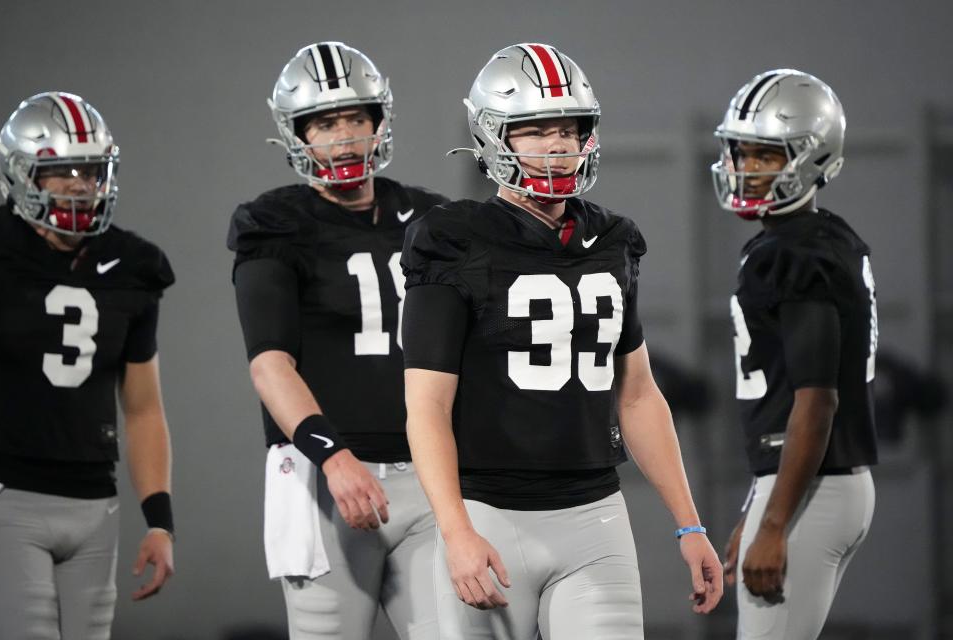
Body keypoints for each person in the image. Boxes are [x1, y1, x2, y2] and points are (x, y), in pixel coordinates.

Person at [401, 43, 722, 640]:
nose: (557, 145)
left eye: (570, 130)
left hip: (595, 515)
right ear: (494, 137)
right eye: (535, 130)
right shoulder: (452, 240)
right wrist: (455, 529)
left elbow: (638, 396)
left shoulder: (612, 240)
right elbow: (426, 407)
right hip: (489, 514)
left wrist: (689, 523)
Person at [227, 42, 449, 640]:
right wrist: (333, 454)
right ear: (297, 134)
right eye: (326, 123)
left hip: (430, 472)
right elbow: (271, 365)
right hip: (325, 475)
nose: (345, 138)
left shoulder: (430, 218)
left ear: (380, 124)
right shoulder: (275, 222)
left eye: (357, 119)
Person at [0, 92, 176, 640]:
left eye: (90, 170)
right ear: (22, 173)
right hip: (7, 494)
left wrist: (161, 520)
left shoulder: (133, 264)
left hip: (95, 503)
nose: (79, 184)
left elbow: (143, 408)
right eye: (61, 170)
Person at [712, 69, 878, 639]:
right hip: (819, 483)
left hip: (813, 485)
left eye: (765, 156)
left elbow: (816, 401)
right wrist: (759, 508)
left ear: (811, 157)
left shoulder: (792, 254)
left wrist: (776, 520)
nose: (746, 169)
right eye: (742, 153)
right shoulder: (825, 236)